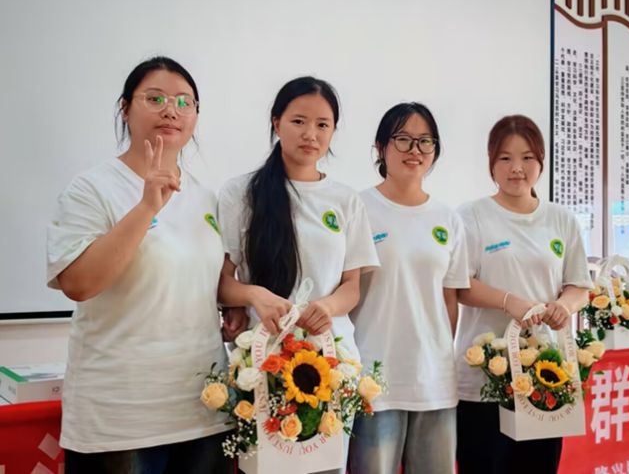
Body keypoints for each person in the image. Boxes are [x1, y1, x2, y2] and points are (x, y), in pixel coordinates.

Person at [46, 57, 233, 473]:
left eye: (184, 102)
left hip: (204, 408)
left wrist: (244, 301)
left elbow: (208, 282)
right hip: (121, 418)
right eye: (155, 98)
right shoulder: (92, 188)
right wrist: (146, 207)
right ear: (125, 108)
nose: (171, 110)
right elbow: (79, 283)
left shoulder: (205, 197)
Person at [217, 76, 379, 474]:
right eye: (299, 121)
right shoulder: (240, 193)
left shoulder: (345, 200)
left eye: (323, 124)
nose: (311, 134)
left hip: (332, 359)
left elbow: (352, 287)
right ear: (276, 123)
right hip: (263, 361)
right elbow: (222, 284)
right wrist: (253, 295)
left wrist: (327, 306)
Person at [454, 115, 592, 474]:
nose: (517, 168)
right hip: (482, 379)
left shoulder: (561, 219)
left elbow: (579, 285)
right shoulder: (470, 216)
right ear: (491, 163)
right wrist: (507, 301)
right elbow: (460, 284)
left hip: (545, 377)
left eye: (527, 157)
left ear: (541, 161)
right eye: (505, 158)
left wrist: (564, 306)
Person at [347, 103, 469, 474]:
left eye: (425, 141)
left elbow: (449, 299)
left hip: (434, 380)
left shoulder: (447, 219)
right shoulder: (358, 208)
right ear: (381, 147)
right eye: (403, 139)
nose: (415, 150)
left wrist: (436, 352)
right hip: (373, 378)